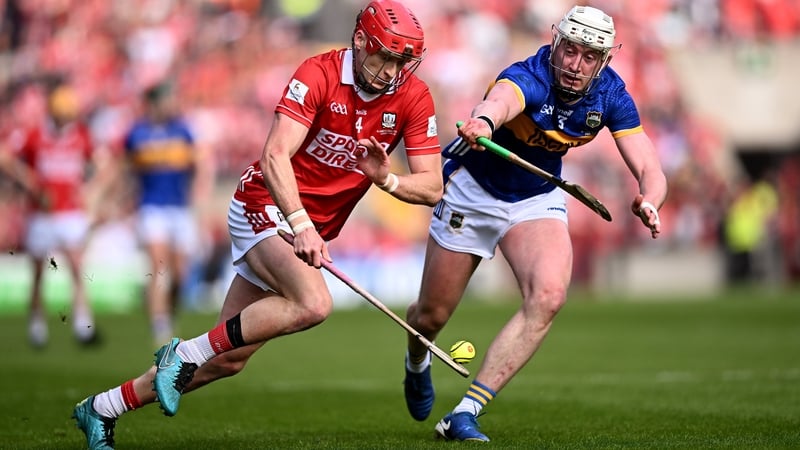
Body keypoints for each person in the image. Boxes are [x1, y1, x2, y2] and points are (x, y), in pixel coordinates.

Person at [72, 1, 443, 448]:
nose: (391, 71)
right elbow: (274, 155)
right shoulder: (318, 73)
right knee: (314, 304)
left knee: (227, 360)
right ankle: (182, 352)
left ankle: (102, 408)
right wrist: (301, 223)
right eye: (386, 56)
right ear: (361, 41)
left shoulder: (413, 97)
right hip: (265, 205)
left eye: (403, 62)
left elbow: (432, 188)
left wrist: (386, 178)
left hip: (307, 230)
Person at [402, 5, 668, 442]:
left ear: (603, 61)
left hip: (535, 199)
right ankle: (416, 360)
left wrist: (651, 199)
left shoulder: (612, 96)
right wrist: (483, 121)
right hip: (473, 190)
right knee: (431, 316)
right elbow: (502, 100)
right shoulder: (530, 74)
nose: (574, 65)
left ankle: (465, 413)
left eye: (588, 57)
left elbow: (650, 167)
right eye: (569, 50)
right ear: (556, 42)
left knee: (548, 295)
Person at [0, 78, 107, 348]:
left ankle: (83, 325)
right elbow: (5, 157)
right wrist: (31, 182)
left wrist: (90, 189)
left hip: (71, 212)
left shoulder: (80, 134)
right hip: (42, 214)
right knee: (38, 272)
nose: (63, 121)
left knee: (76, 266)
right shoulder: (35, 134)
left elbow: (104, 163)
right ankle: (36, 324)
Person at [123, 82, 211, 345]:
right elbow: (125, 170)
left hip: (180, 208)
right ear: (153, 103)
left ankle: (169, 314)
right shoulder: (136, 134)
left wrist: (199, 190)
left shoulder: (182, 130)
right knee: (159, 266)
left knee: (181, 274)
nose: (172, 104)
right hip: (151, 207)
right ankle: (159, 326)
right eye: (167, 99)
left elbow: (200, 164)